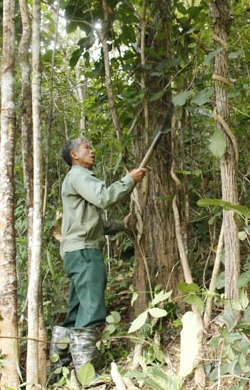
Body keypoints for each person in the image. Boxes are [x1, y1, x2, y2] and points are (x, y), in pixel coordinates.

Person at [49, 136, 146, 379]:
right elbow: (104, 197)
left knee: (77, 309)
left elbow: (90, 222)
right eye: (86, 148)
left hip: (76, 251)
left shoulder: (74, 179)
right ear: (74, 155)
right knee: (92, 308)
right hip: (84, 252)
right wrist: (129, 180)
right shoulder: (79, 175)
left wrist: (120, 226)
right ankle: (85, 373)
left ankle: (59, 369)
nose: (91, 152)